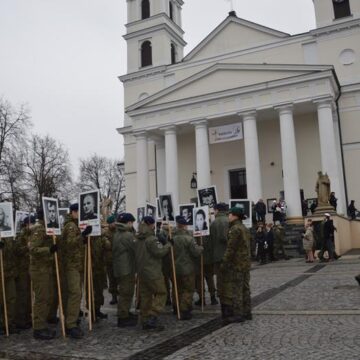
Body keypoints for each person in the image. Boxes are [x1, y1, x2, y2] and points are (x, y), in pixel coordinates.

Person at [61, 203, 92, 339]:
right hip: (71, 265)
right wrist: (83, 235)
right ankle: (71, 325)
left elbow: (75, 244)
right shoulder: (71, 226)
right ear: (74, 212)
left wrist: (83, 239)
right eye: (80, 212)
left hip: (75, 264)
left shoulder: (74, 225)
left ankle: (71, 320)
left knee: (74, 293)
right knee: (75, 293)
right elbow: (69, 243)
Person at [135, 216, 171, 331]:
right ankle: (152, 316)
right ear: (151, 225)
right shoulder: (151, 239)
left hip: (142, 271)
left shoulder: (137, 238)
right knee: (162, 293)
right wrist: (168, 245)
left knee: (146, 296)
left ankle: (144, 319)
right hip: (153, 271)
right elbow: (159, 252)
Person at [219, 207, 251, 324]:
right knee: (245, 288)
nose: (228, 216)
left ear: (234, 216)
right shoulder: (244, 228)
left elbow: (231, 248)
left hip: (237, 264)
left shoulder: (235, 229)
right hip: (245, 263)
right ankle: (247, 312)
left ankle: (238, 314)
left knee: (237, 289)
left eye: (230, 214)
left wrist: (224, 262)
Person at [29, 208, 57, 340]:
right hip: (39, 270)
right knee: (42, 298)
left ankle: (42, 324)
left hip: (46, 268)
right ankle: (38, 328)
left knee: (48, 297)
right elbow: (33, 249)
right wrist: (49, 249)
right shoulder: (39, 229)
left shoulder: (48, 228)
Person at [172, 216, 203, 320]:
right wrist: (200, 248)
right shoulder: (189, 239)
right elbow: (195, 252)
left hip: (176, 267)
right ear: (185, 226)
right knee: (188, 289)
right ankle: (185, 310)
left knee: (178, 289)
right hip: (187, 268)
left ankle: (177, 307)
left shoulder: (173, 239)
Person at [112, 212, 137, 327]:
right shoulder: (127, 235)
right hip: (126, 268)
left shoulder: (117, 233)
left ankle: (125, 312)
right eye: (132, 223)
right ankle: (123, 317)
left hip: (121, 267)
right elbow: (135, 249)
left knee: (125, 291)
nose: (133, 225)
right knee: (126, 292)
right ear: (128, 223)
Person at [14, 216, 35, 330]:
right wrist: (27, 247)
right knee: (22, 295)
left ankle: (28, 317)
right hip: (22, 268)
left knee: (28, 295)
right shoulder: (21, 235)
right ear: (27, 224)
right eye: (31, 224)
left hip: (29, 267)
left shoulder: (30, 234)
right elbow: (17, 250)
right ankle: (20, 320)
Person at [210, 203, 229, 301]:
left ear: (217, 210)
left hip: (217, 254)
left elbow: (210, 240)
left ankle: (221, 295)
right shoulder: (229, 220)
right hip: (229, 254)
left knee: (220, 277)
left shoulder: (213, 223)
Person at [102, 215, 118, 305]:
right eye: (113, 222)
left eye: (115, 222)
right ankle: (114, 297)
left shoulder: (118, 231)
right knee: (112, 279)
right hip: (110, 260)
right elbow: (107, 246)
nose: (114, 223)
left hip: (118, 259)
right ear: (109, 224)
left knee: (119, 279)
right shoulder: (106, 233)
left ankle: (118, 293)